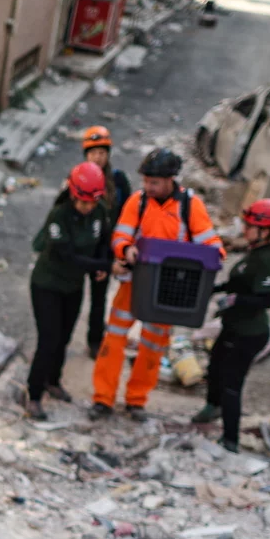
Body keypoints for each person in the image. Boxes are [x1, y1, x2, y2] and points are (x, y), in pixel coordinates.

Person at [90, 148, 225, 421]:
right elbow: (120, 235)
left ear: (170, 180)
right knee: (113, 341)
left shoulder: (190, 206)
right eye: (145, 181)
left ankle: (136, 401)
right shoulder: (137, 202)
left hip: (167, 291)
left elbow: (210, 244)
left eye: (154, 182)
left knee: (151, 348)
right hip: (134, 284)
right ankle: (103, 399)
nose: (148, 187)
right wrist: (125, 250)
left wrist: (215, 256)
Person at [192, 199, 270, 452]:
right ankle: (213, 407)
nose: (245, 229)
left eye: (250, 226)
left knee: (232, 383)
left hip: (250, 334)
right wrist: (217, 288)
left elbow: (266, 299)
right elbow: (240, 282)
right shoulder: (253, 254)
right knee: (215, 365)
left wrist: (235, 300)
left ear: (265, 231)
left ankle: (230, 439)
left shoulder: (266, 260)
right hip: (234, 327)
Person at [25, 163, 113, 420]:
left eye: (91, 203)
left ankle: (54, 380)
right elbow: (69, 257)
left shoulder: (99, 213)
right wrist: (104, 265)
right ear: (73, 194)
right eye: (82, 202)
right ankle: (33, 394)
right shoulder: (59, 216)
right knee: (48, 339)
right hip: (47, 285)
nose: (87, 208)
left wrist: (102, 263)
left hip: (73, 286)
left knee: (64, 337)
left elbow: (103, 242)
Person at [78, 126, 132, 358]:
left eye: (102, 152)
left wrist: (117, 251)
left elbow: (128, 215)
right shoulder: (78, 179)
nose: (98, 157)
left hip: (105, 249)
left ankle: (94, 340)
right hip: (82, 247)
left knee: (98, 299)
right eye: (93, 153)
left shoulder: (118, 180)